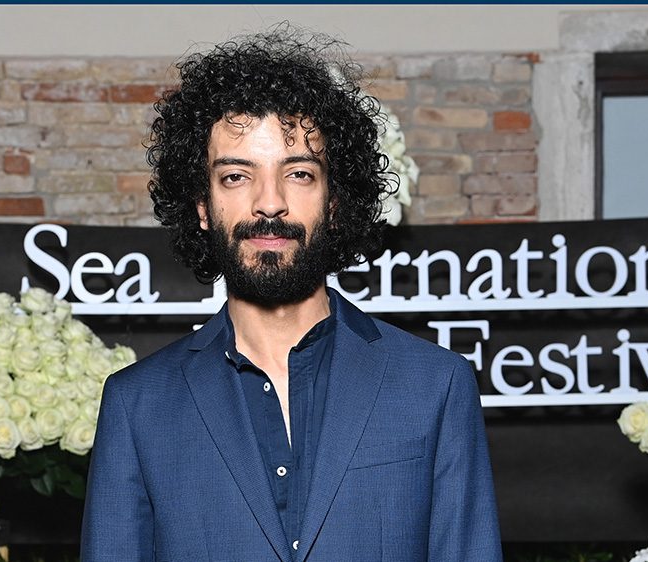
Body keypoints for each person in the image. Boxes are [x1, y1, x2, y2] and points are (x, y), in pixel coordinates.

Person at [81, 27, 501, 562]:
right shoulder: (137, 405)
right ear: (203, 207)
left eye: (298, 173)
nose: (269, 202)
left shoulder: (435, 386)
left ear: (333, 201)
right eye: (236, 176)